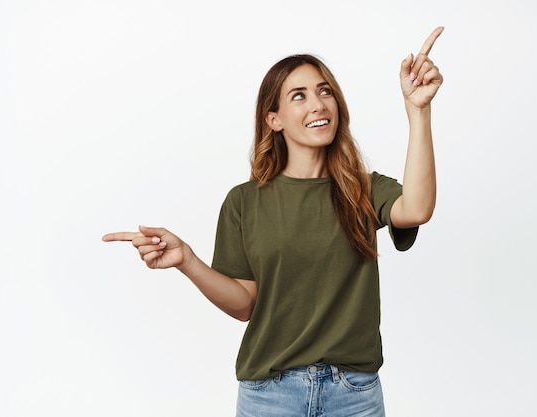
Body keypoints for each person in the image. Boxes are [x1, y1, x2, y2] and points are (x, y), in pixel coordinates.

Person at [103, 26, 444, 417]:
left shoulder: (363, 189)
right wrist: (187, 261)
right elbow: (245, 303)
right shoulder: (244, 202)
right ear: (274, 119)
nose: (318, 104)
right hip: (270, 395)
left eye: (324, 91)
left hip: (353, 394)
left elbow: (416, 209)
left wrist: (419, 111)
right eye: (298, 96)